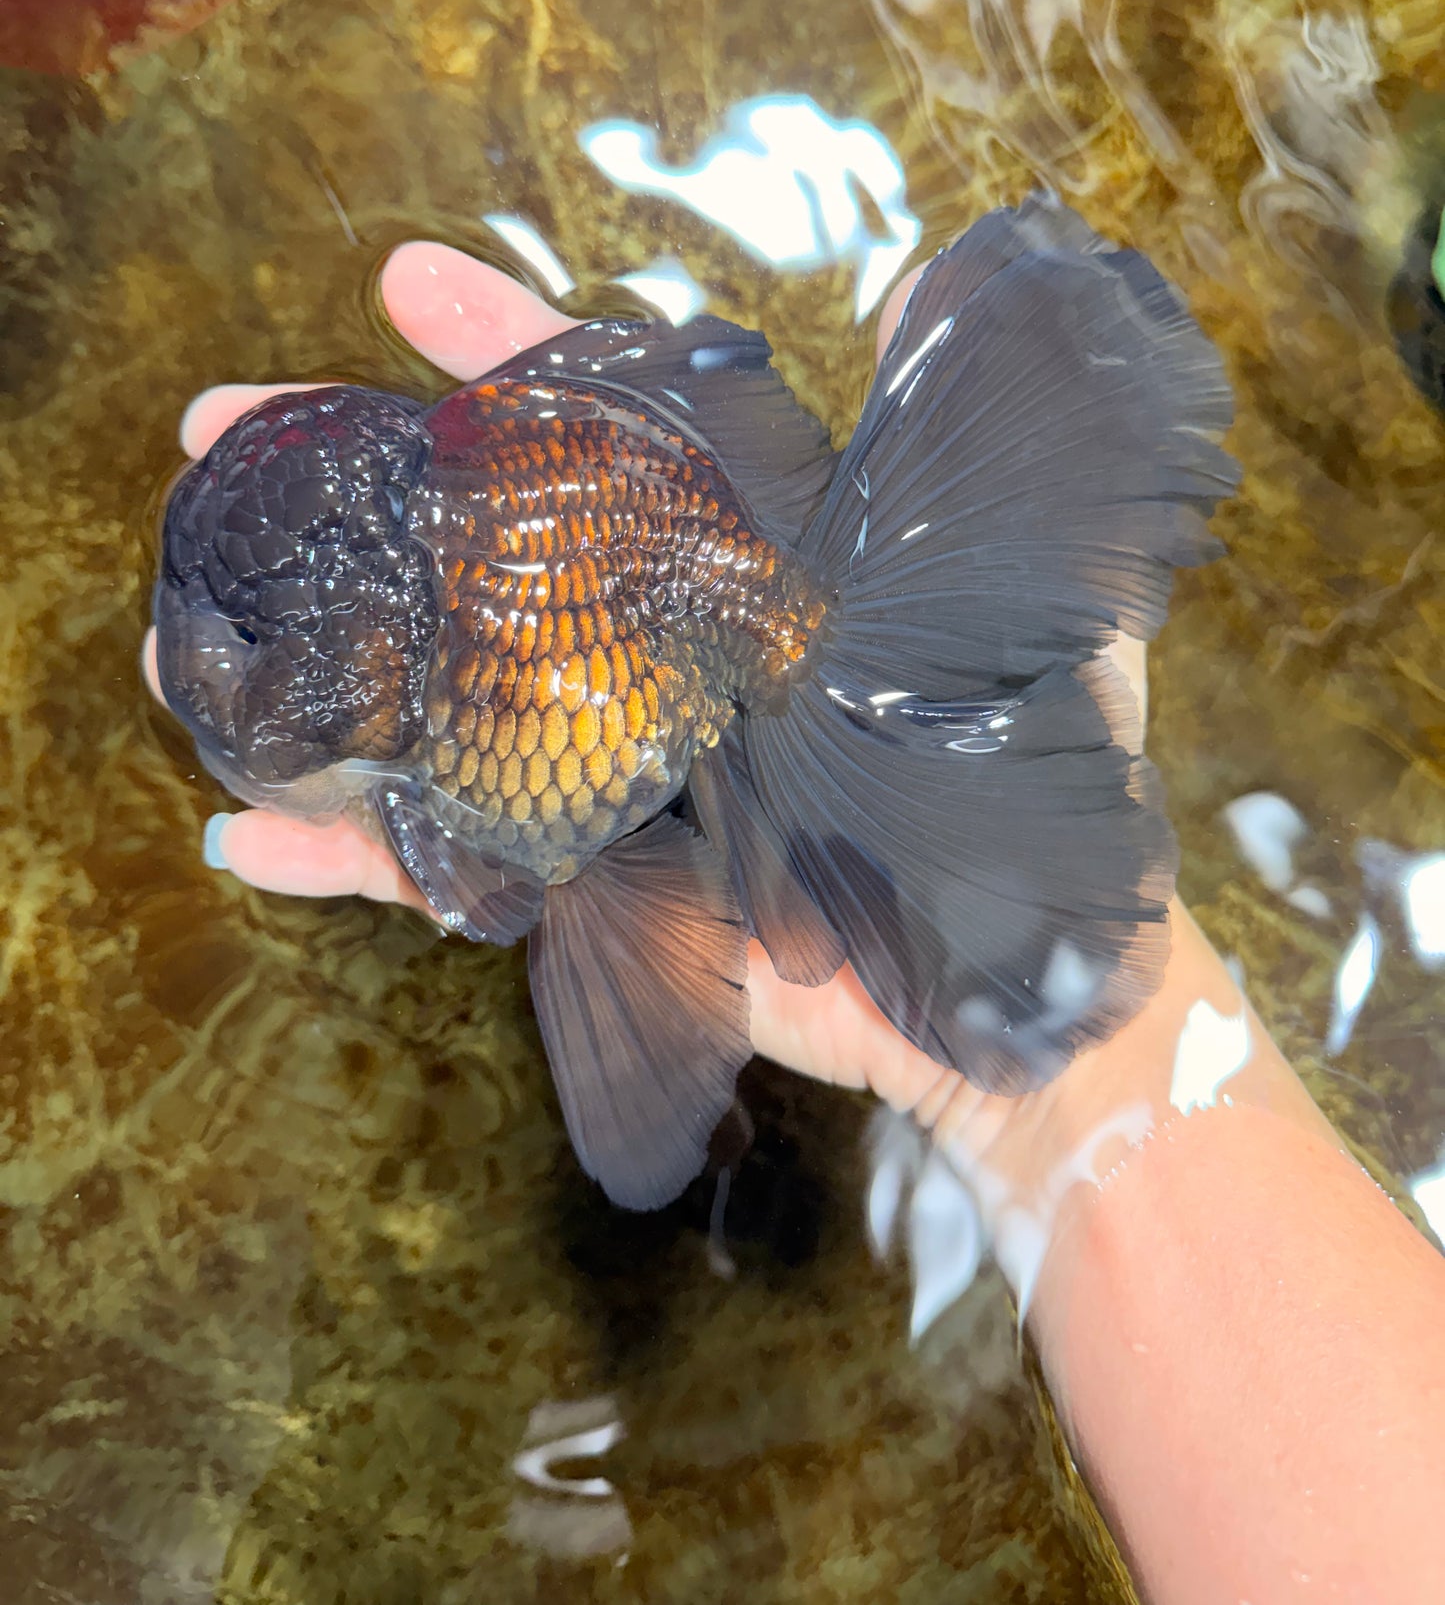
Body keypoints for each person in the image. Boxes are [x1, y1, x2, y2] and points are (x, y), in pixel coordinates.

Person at [145, 239, 1445, 1604]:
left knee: (577, 847)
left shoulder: (451, 679)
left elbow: (482, 848)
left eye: (249, 654)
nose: (211, 656)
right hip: (647, 542)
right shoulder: (458, 526)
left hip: (656, 624)